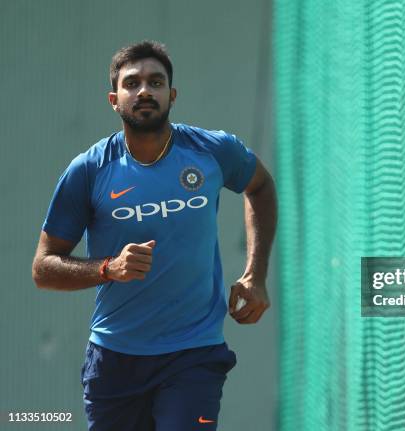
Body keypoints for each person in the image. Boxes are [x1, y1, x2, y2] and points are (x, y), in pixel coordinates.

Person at [31, 40, 277, 431]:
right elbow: (44, 268)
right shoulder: (89, 170)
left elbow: (260, 187)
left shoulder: (212, 150)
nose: (144, 90)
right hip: (115, 359)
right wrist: (108, 268)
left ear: (172, 95)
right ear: (114, 99)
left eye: (156, 82)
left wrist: (255, 274)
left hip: (194, 353)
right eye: (132, 83)